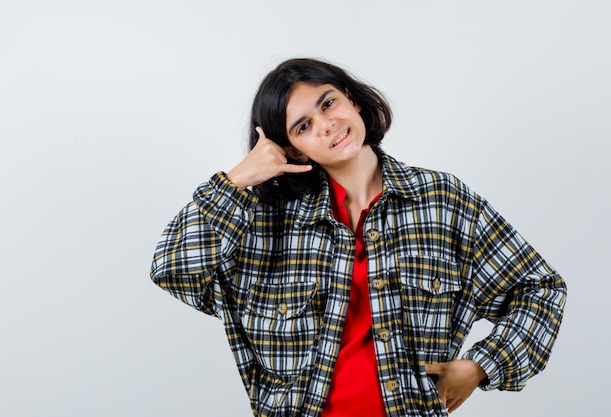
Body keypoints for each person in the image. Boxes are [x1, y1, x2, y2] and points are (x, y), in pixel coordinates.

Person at [150, 58, 567, 417]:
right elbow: (173, 270)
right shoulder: (264, 222)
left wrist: (481, 365)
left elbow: (540, 289)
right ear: (293, 151)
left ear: (352, 98)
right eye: (304, 126)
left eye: (328, 102)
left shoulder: (442, 201)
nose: (328, 125)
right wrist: (237, 179)